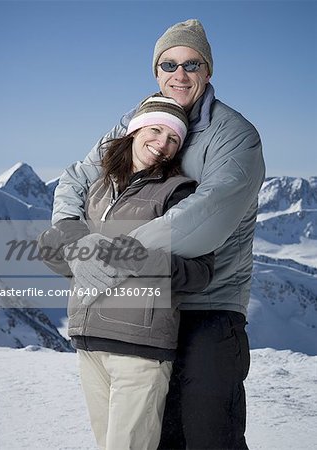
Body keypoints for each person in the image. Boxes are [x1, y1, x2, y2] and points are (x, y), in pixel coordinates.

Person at [49, 19, 265, 450]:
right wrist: (76, 244)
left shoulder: (234, 135)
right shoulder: (136, 121)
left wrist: (108, 255)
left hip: (207, 305)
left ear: (208, 71)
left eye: (192, 64)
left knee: (208, 434)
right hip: (141, 307)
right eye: (169, 64)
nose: (179, 75)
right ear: (156, 71)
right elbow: (77, 181)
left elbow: (204, 216)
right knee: (156, 435)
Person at [38, 94, 215, 450]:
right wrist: (67, 252)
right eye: (156, 130)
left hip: (140, 350)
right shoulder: (97, 187)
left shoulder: (178, 193)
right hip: (90, 342)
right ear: (134, 130)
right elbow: (63, 261)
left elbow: (199, 273)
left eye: (174, 139)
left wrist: (132, 258)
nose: (162, 144)